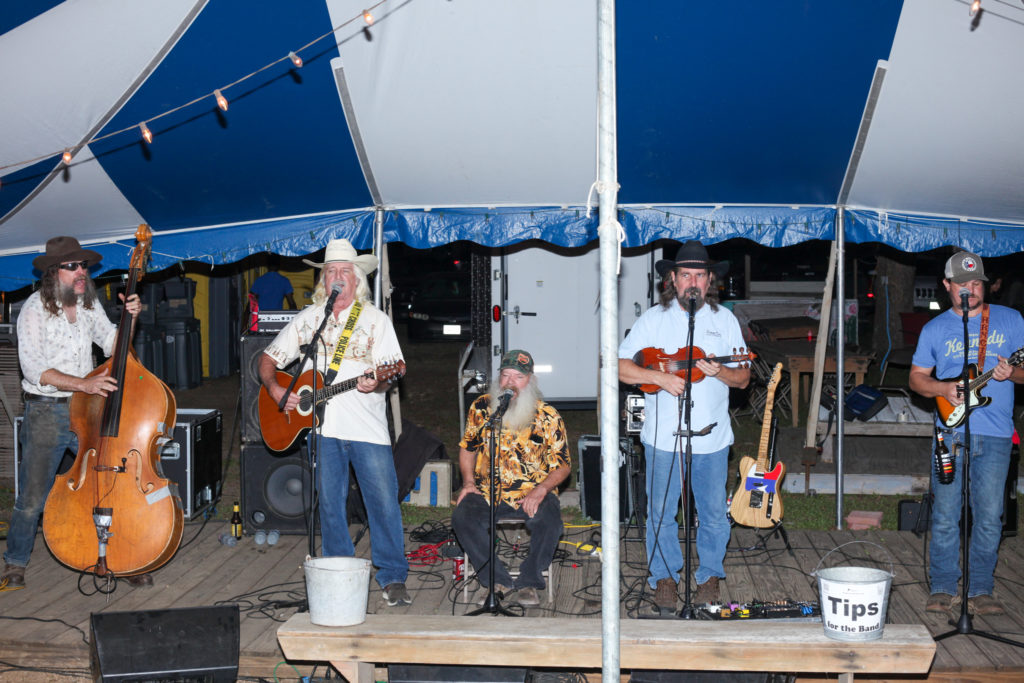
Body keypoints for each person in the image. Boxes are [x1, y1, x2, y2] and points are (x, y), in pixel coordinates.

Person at [258, 238, 411, 606]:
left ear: (357, 279)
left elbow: (393, 371)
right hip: (322, 430)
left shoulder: (376, 320)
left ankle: (392, 576)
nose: (338, 277)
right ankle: (340, 573)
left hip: (368, 431)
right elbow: (268, 359)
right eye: (331, 272)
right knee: (329, 505)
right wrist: (276, 389)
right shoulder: (309, 319)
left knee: (383, 504)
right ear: (323, 281)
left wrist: (378, 382)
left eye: (345, 271)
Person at [2, 237, 144, 590]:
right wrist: (85, 384)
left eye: (84, 265)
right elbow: (34, 369)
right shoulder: (34, 309)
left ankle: (120, 558)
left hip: (87, 408)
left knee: (105, 485)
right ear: (54, 272)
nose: (82, 271)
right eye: (72, 266)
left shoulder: (87, 305)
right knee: (32, 497)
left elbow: (115, 347)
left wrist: (130, 320)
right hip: (47, 412)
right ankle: (15, 562)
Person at [617, 240, 750, 613]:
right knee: (661, 513)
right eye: (686, 275)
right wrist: (659, 379)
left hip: (712, 437)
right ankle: (663, 578)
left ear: (710, 281)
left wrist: (720, 371)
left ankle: (709, 576)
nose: (693, 282)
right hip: (663, 439)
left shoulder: (724, 321)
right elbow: (620, 366)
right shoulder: (653, 320)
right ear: (672, 280)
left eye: (700, 276)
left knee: (712, 513)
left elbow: (743, 378)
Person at [909, 250, 1024, 616]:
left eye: (976, 284)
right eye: (962, 284)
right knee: (945, 514)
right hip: (949, 433)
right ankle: (943, 586)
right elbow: (916, 379)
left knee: (989, 516)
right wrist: (943, 389)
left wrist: (1013, 374)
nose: (970, 290)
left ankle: (980, 589)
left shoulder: (1010, 320)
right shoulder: (935, 328)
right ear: (947, 285)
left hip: (996, 434)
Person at [452, 349, 571, 607]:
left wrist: (542, 490)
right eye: (506, 375)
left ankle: (529, 580)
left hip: (533, 492)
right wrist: (468, 483)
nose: (510, 383)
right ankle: (496, 579)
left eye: (518, 377)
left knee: (550, 522)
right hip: (486, 491)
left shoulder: (548, 415)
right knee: (462, 517)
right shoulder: (482, 407)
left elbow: (563, 466)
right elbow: (467, 448)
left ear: (531, 380)